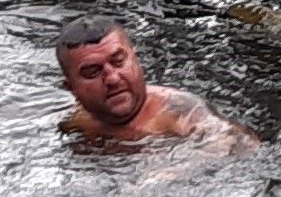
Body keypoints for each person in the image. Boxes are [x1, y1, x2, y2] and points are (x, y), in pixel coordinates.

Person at [53, 16, 255, 153]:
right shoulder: (77, 123)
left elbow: (243, 144)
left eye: (118, 61)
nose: (113, 79)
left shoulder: (179, 111)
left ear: (136, 59)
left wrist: (172, 171)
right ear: (71, 88)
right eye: (92, 72)